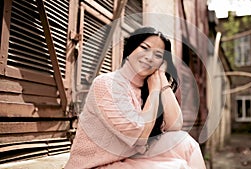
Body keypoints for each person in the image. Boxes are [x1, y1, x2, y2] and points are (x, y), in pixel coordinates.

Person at [64, 26, 207, 169]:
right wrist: (155, 91)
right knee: (177, 166)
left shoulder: (147, 87)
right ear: (131, 48)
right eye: (144, 48)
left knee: (186, 143)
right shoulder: (107, 84)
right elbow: (137, 135)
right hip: (95, 165)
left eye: (158, 55)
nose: (149, 57)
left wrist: (161, 79)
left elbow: (175, 125)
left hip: (128, 157)